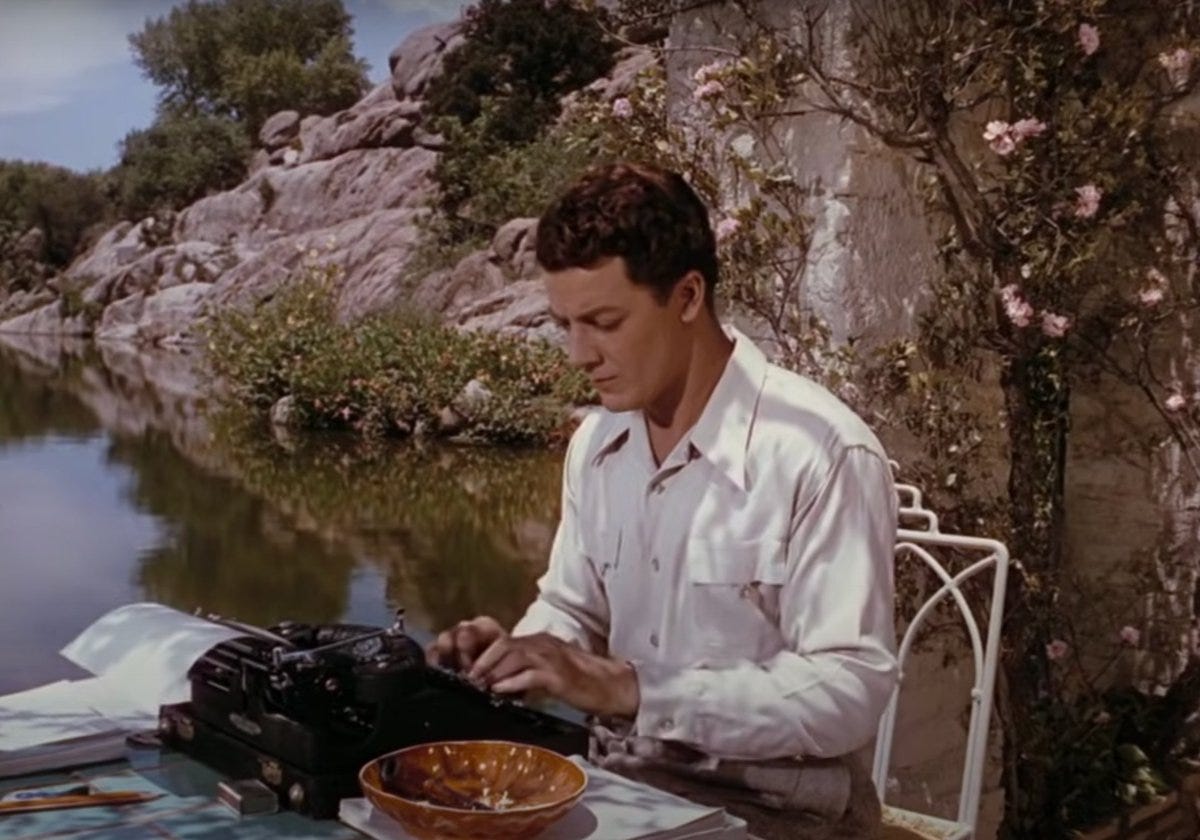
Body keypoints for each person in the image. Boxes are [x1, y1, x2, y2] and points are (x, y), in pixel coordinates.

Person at [427, 162, 898, 839]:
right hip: (621, 792)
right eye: (565, 324)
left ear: (686, 296)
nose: (578, 355)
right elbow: (572, 608)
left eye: (604, 321)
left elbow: (849, 691)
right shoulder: (596, 445)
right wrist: (522, 655)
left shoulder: (819, 451)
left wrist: (634, 689)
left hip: (778, 816)